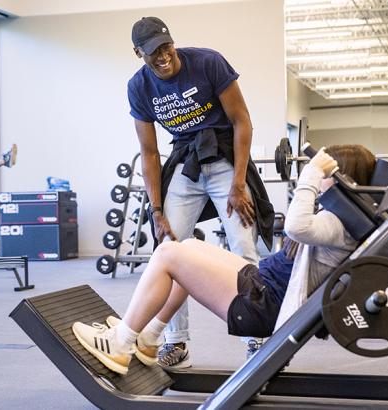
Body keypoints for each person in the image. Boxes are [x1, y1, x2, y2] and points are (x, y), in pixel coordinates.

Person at [73, 145, 377, 375]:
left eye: (327, 176)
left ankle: (121, 344)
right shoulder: (343, 219)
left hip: (263, 304)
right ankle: (150, 338)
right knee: (186, 247)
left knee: (168, 254)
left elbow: (297, 226)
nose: (321, 179)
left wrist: (311, 176)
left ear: (339, 178)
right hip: (263, 284)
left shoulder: (338, 223)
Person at [127, 16, 274, 367]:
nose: (163, 56)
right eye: (153, 52)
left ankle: (257, 340)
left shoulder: (208, 62)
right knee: (170, 250)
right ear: (138, 53)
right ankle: (176, 344)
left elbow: (242, 121)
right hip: (186, 162)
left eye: (166, 47)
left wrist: (239, 185)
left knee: (242, 245)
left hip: (224, 156)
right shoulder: (139, 87)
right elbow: (149, 153)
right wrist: (156, 211)